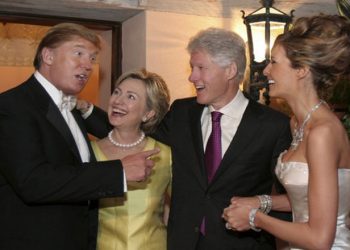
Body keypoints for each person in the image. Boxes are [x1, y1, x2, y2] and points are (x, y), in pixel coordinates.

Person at [0, 23, 158, 250]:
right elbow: (32, 181)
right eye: (78, 53)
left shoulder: (73, 109)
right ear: (48, 56)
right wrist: (118, 172)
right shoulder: (12, 106)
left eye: (92, 58)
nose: (88, 66)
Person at [152, 27, 292, 249]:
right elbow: (134, 137)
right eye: (192, 68)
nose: (192, 76)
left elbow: (290, 199)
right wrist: (87, 111)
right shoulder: (181, 113)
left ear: (230, 70)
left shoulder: (273, 125)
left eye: (200, 68)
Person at [222, 14, 350, 249]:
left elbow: (320, 239)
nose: (266, 71)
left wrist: (254, 218)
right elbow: (307, 201)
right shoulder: (296, 123)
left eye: (274, 62)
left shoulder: (323, 132)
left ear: (301, 70)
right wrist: (261, 201)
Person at [91, 69, 172, 250]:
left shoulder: (165, 155)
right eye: (117, 92)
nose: (118, 101)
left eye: (131, 97)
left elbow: (181, 208)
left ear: (148, 113)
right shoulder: (88, 153)